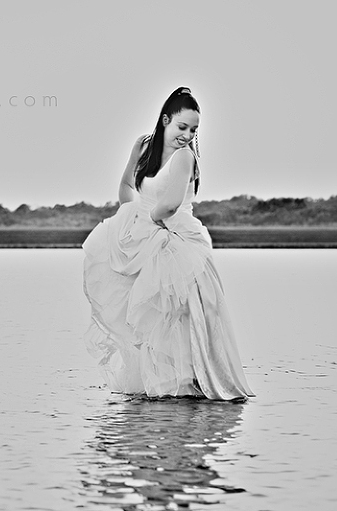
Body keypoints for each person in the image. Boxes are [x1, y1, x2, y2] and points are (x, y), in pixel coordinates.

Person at [82, 87, 254, 401]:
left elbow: (171, 204)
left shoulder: (185, 156)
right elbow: (126, 185)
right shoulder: (144, 147)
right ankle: (161, 382)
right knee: (151, 314)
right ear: (165, 120)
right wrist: (132, 216)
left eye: (193, 130)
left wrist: (147, 219)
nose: (187, 135)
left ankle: (192, 380)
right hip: (149, 234)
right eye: (182, 127)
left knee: (181, 313)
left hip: (179, 241)